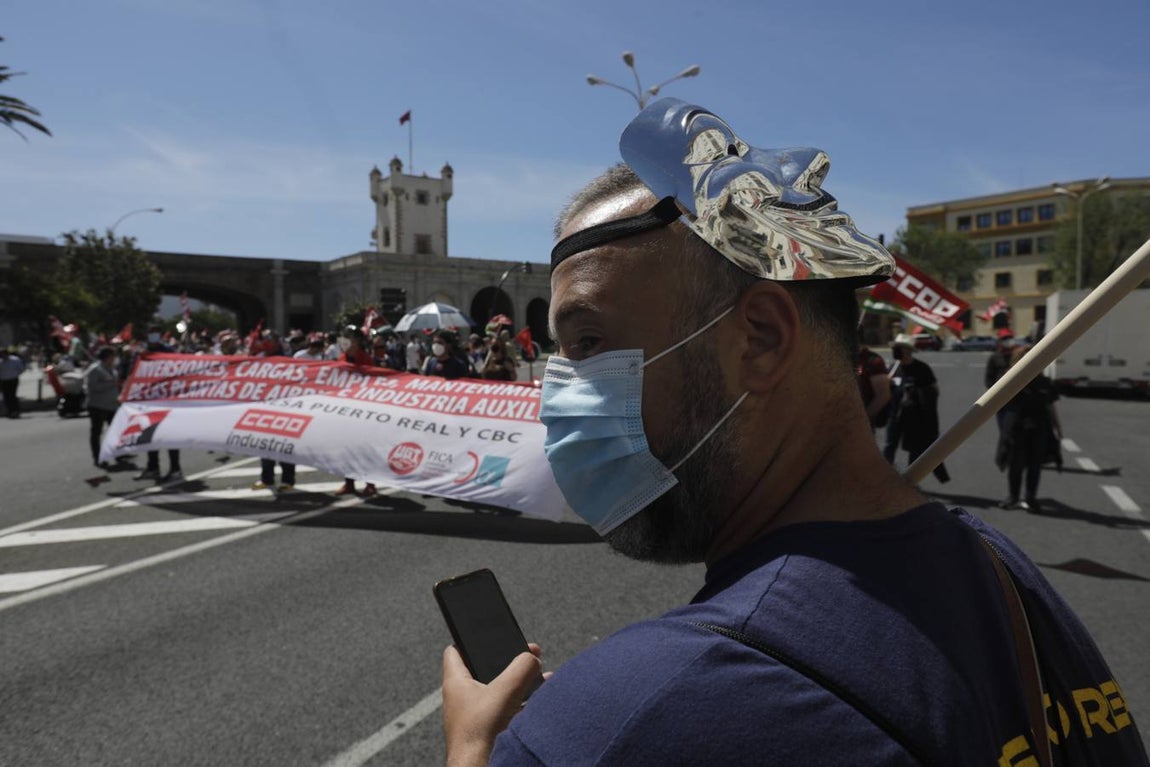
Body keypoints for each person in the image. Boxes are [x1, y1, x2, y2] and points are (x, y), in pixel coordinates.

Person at [440, 100, 1148, 766]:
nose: (559, 395)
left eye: (589, 342)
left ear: (762, 338)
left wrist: (480, 748)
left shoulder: (633, 717)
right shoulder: (1000, 569)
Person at [997, 345, 1063, 513]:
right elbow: (998, 403)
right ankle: (1013, 497)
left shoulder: (1043, 382)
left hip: (1039, 427)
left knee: (1035, 465)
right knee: (1016, 464)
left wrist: (1057, 428)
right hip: (1016, 428)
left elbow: (1050, 406)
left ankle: (1030, 498)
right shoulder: (1009, 379)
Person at [883, 335, 950, 483]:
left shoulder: (922, 368)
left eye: (898, 348)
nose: (895, 351)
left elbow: (935, 389)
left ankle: (910, 479)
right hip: (895, 415)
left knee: (915, 448)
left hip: (914, 417)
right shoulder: (893, 368)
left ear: (907, 351)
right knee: (889, 445)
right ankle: (885, 479)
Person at [136, 326, 182, 482]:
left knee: (170, 435)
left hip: (168, 400)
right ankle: (153, 467)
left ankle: (175, 469)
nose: (153, 336)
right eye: (150, 333)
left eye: (155, 333)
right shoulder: (142, 354)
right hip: (149, 401)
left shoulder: (169, 352)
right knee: (149, 435)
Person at [84, 347, 121, 468]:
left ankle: (118, 453)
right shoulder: (95, 369)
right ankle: (98, 457)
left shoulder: (112, 369)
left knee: (115, 431)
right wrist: (110, 384)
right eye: (112, 356)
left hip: (112, 405)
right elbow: (92, 388)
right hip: (97, 406)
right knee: (96, 432)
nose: (114, 359)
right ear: (107, 357)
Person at [857, 344, 890, 431]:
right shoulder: (843, 358)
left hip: (860, 423)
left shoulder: (872, 361)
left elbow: (883, 395)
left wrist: (863, 418)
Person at [0, 346, 24, 418]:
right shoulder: (0, 362)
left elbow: (21, 368)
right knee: (6, 397)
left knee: (12, 396)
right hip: (4, 381)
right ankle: (10, 411)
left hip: (13, 379)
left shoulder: (15, 360)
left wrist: (16, 374)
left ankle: (15, 411)